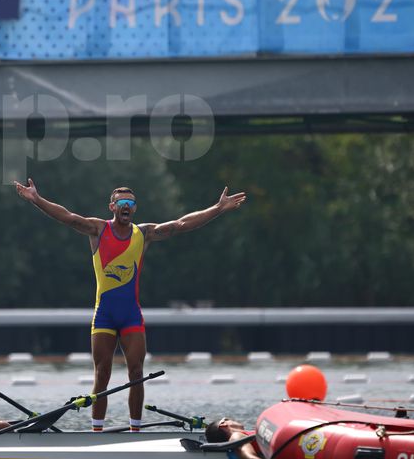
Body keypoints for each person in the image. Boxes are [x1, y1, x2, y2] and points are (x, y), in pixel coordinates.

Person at [13, 179, 246, 431]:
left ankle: (135, 429)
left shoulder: (143, 233)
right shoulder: (98, 229)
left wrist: (218, 208)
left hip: (131, 316)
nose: (127, 206)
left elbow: (181, 224)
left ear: (134, 209)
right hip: (104, 316)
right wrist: (37, 199)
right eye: (122, 202)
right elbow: (68, 217)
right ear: (112, 206)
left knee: (136, 374)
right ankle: (97, 430)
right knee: (102, 375)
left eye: (131, 203)